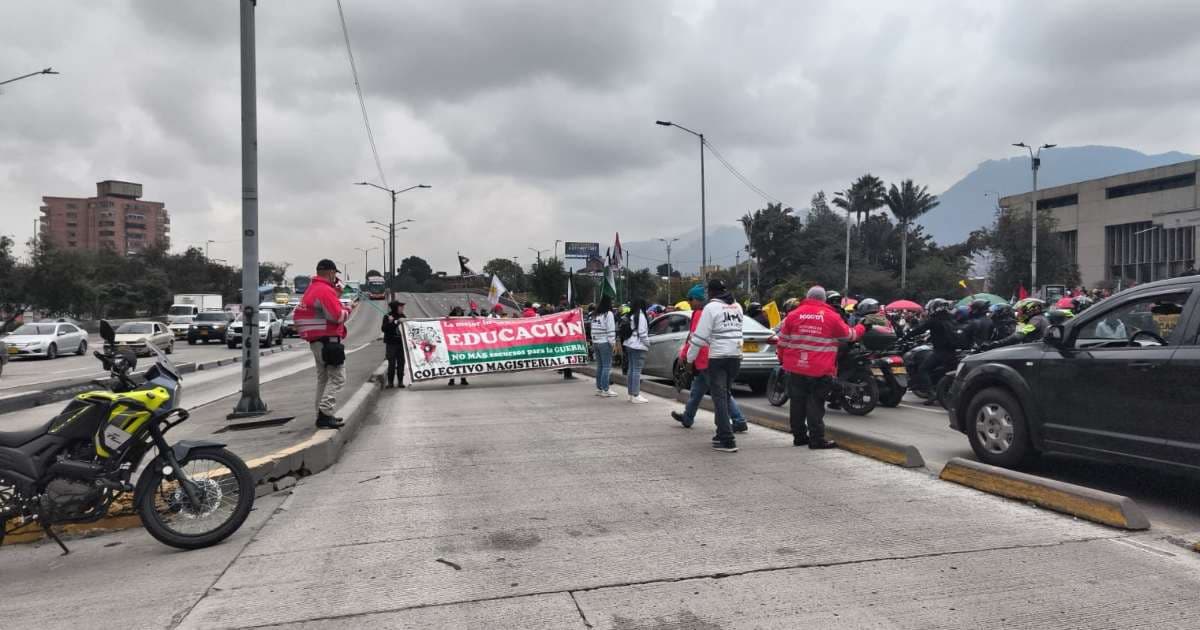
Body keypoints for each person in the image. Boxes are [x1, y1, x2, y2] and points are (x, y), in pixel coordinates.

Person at [777, 286, 864, 449]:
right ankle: (816, 439)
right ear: (824, 300)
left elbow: (782, 342)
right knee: (815, 404)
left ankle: (799, 437)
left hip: (795, 368)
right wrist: (862, 327)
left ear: (808, 297)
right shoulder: (831, 316)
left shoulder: (793, 315)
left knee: (797, 403)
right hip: (819, 369)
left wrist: (783, 360)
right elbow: (849, 335)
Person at [671, 284, 750, 432]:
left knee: (721, 393)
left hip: (709, 359)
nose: (689, 302)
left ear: (699, 299)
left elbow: (696, 338)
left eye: (691, 299)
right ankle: (688, 417)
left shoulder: (705, 312)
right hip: (716, 357)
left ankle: (737, 421)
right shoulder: (732, 307)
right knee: (697, 390)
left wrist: (687, 358)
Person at [685, 279, 744, 453]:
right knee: (724, 395)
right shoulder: (737, 307)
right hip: (735, 357)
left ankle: (727, 439)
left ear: (711, 292)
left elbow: (699, 338)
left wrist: (689, 360)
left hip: (718, 357)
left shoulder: (711, 308)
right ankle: (720, 434)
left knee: (719, 398)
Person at [294, 259, 349, 429]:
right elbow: (336, 316)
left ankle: (322, 413)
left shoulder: (312, 288)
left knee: (323, 379)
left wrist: (337, 293)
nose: (335, 277)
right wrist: (348, 309)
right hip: (327, 341)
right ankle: (325, 412)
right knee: (338, 377)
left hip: (317, 341)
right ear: (331, 272)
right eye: (335, 274)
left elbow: (323, 308)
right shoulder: (324, 290)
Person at [902, 298, 958, 406]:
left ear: (934, 308)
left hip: (940, 352)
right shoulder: (952, 319)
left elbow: (920, 329)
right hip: (953, 352)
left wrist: (905, 337)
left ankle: (931, 394)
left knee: (923, 369)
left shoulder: (934, 320)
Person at [623, 298, 650, 403]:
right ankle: (636, 394)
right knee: (636, 371)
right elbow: (643, 334)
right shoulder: (641, 316)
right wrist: (648, 344)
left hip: (629, 343)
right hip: (638, 345)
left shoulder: (631, 315)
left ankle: (631, 394)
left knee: (631, 369)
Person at [591, 295, 617, 397]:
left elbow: (593, 329)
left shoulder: (595, 314)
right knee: (607, 366)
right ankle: (606, 389)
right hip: (605, 342)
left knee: (600, 366)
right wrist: (613, 344)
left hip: (596, 342)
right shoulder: (608, 314)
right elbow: (611, 330)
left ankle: (599, 388)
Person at [381, 300, 407, 389]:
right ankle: (390, 382)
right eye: (401, 307)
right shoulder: (387, 316)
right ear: (395, 308)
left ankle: (400, 382)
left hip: (401, 344)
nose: (402, 308)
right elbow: (384, 329)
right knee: (391, 363)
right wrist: (392, 322)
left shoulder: (403, 316)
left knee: (401, 363)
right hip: (391, 344)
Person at [447, 306, 469, 386]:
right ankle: (451, 379)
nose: (459, 313)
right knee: (454, 363)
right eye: (458, 311)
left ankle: (463, 379)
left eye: (460, 311)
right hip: (453, 344)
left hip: (462, 344)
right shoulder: (451, 319)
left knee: (462, 363)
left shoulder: (464, 319)